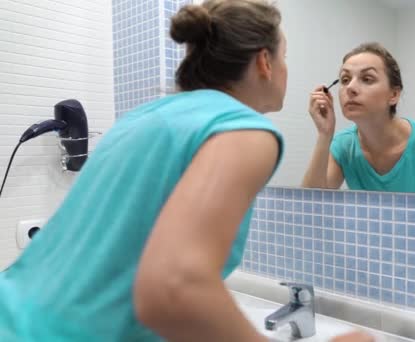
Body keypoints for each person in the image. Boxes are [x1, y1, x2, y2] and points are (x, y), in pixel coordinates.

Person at [0, 1, 373, 341]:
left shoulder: (141, 118)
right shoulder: (245, 128)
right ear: (264, 62)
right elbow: (175, 287)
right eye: (285, 57)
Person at [302, 42, 415, 196]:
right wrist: (324, 134)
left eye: (367, 79)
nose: (350, 88)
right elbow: (310, 207)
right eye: (344, 79)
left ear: (394, 94)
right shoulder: (343, 147)